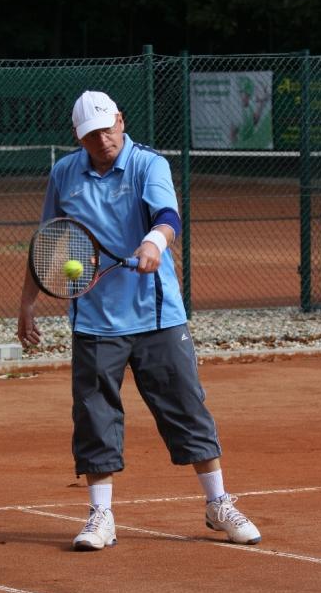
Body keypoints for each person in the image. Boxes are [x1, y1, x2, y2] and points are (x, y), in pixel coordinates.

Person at [17, 89, 261, 552]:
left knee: (187, 409)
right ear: (79, 137)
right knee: (94, 417)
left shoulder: (149, 165)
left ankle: (218, 504)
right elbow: (49, 239)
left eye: (107, 129)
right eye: (91, 135)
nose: (102, 140)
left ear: (121, 121)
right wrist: (27, 304)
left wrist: (154, 242)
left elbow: (168, 215)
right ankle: (101, 516)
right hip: (94, 322)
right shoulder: (64, 172)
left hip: (158, 317)